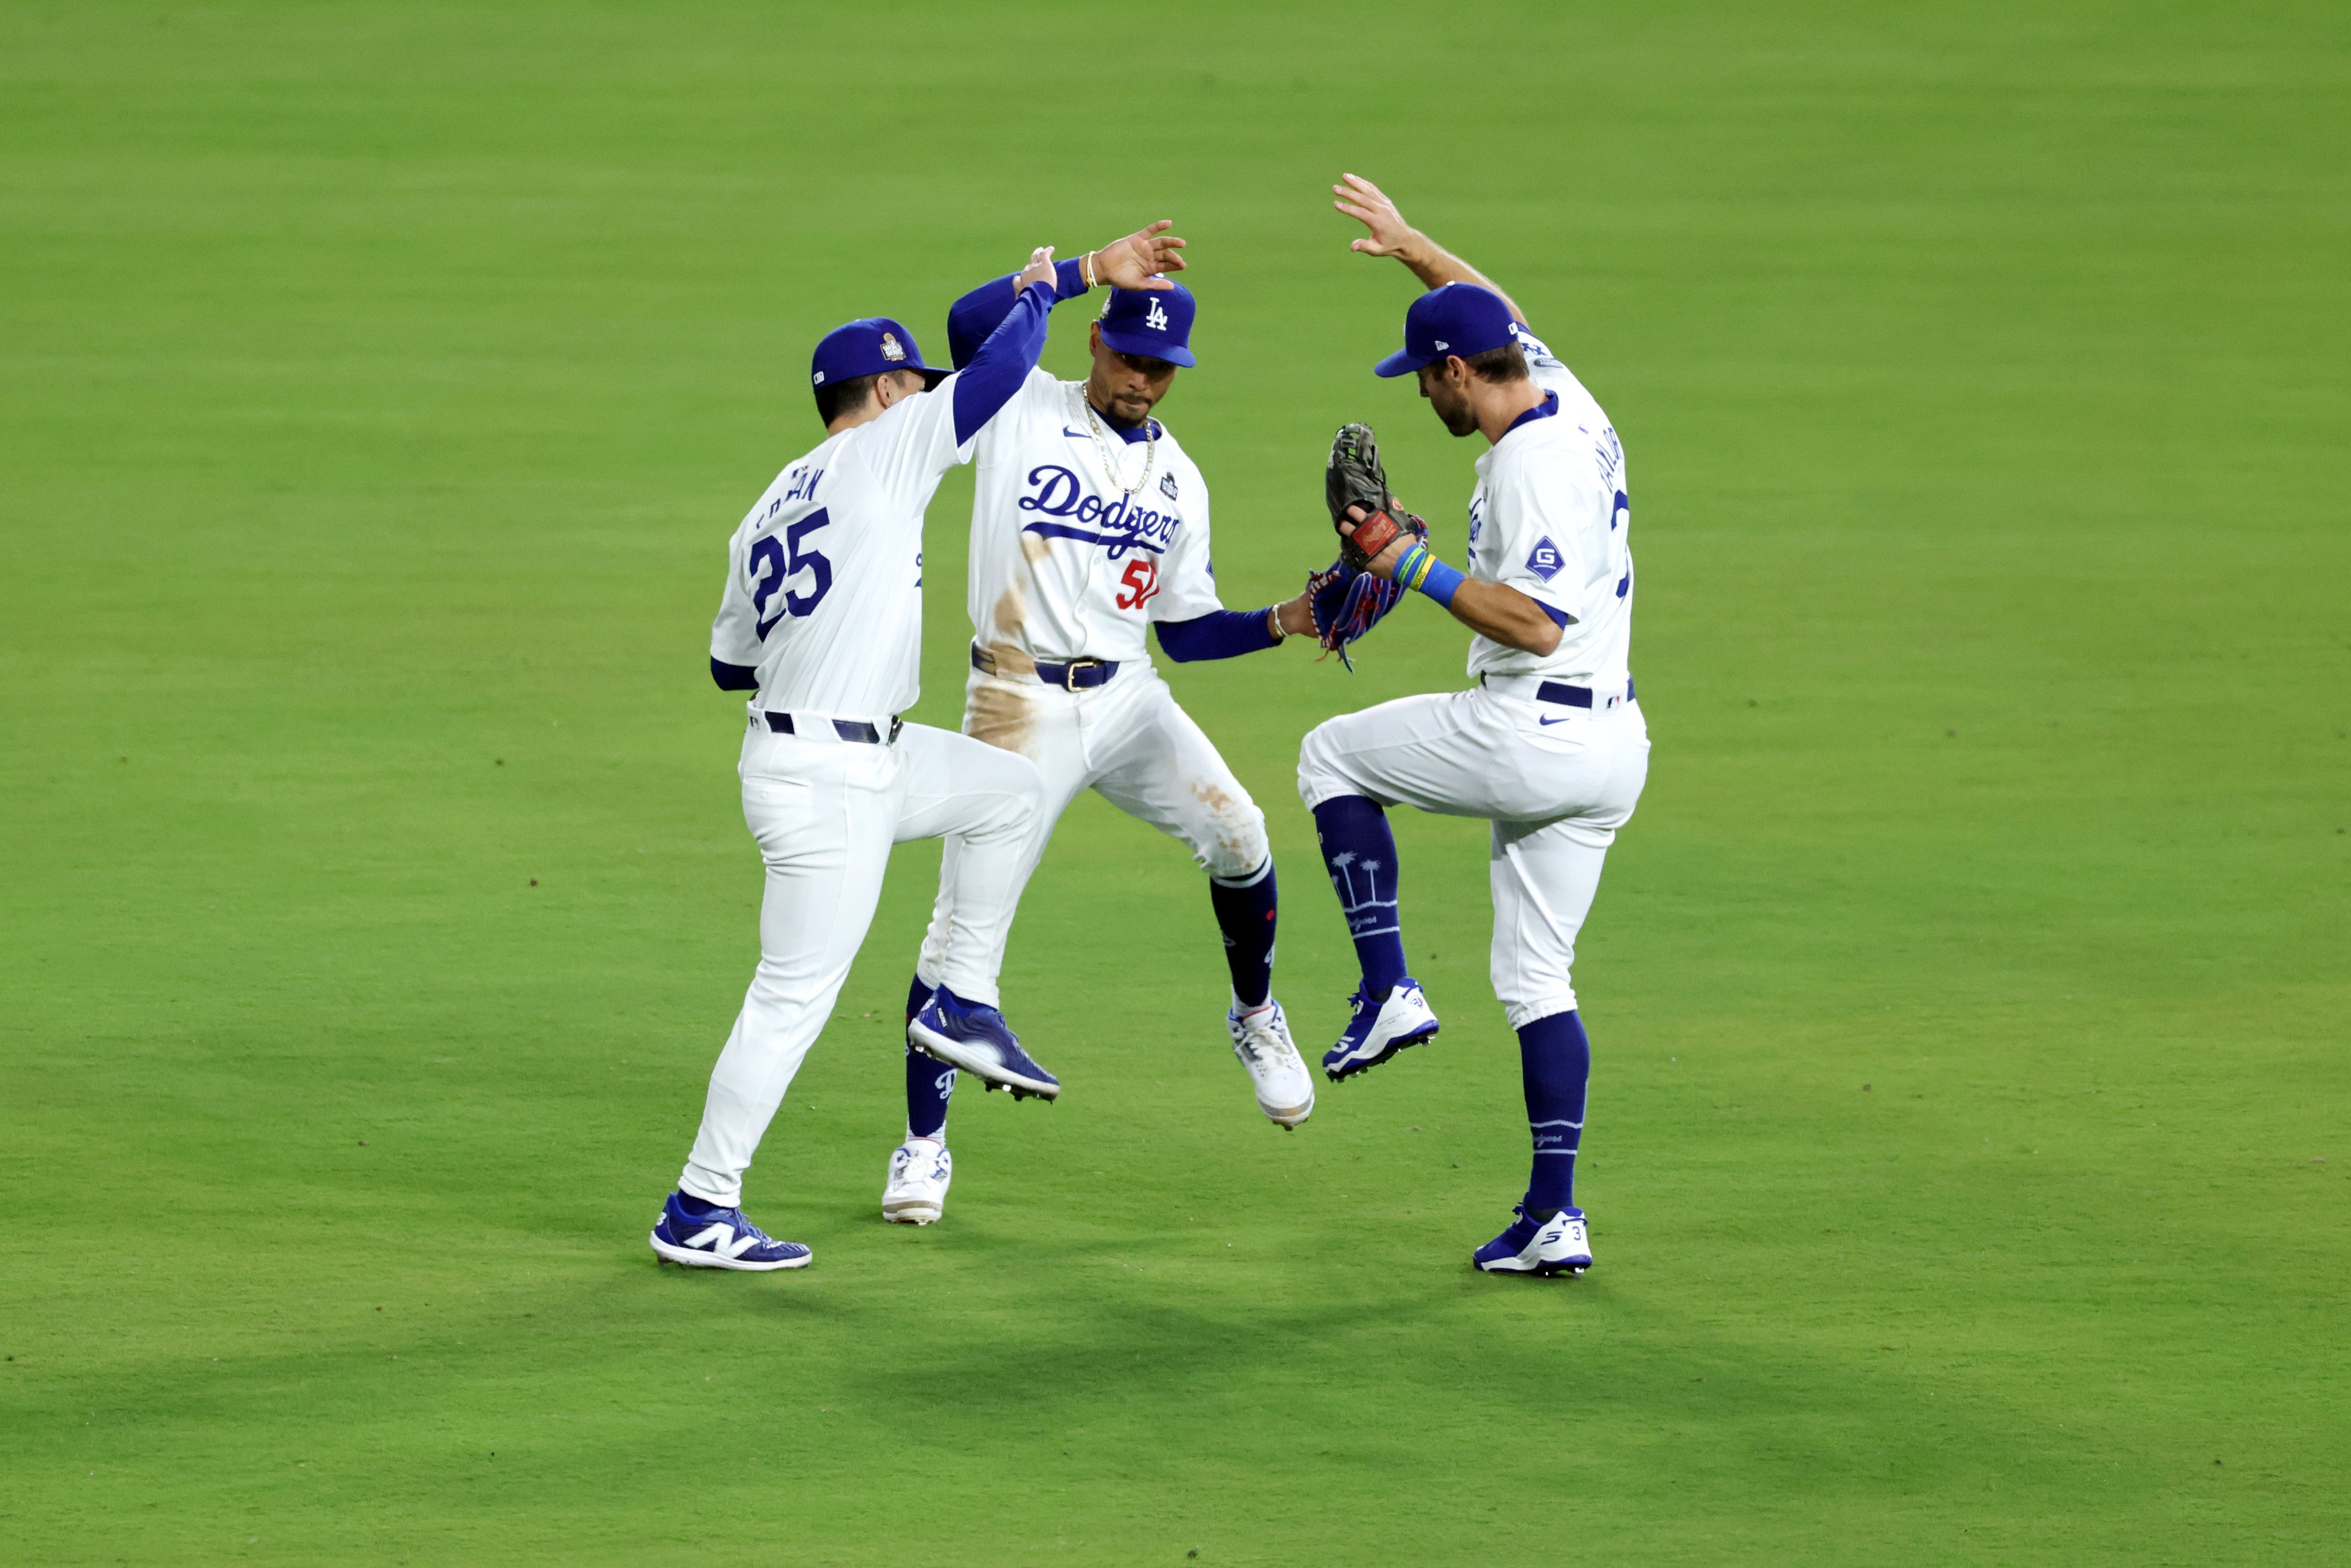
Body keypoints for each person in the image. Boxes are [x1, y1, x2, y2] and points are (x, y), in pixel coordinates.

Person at [649, 223, 1189, 1270]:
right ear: (889, 395)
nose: (928, 397)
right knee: (792, 996)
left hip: (841, 753)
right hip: (830, 782)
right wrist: (1063, 282)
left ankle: (959, 998)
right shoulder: (885, 447)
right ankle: (700, 1206)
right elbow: (996, 372)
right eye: (914, 384)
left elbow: (728, 666)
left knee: (1005, 790)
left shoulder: (773, 498)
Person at [880, 257, 1321, 1228]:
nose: (1142, 379)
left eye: (1161, 368)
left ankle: (1255, 1018)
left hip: (1128, 701)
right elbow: (963, 319)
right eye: (1129, 356)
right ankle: (922, 1147)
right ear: (1097, 341)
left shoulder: (1180, 480)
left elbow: (1186, 631)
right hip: (1013, 702)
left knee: (1242, 832)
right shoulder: (1021, 402)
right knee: (960, 940)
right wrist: (1078, 270)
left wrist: (1285, 618)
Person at [1297, 174, 1650, 1276]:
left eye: (1425, 381)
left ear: (1460, 372)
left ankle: (1387, 986)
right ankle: (1557, 1215)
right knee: (1540, 981)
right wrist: (1412, 249)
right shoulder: (1567, 400)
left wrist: (1406, 562)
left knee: (1329, 755)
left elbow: (1535, 624)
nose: (1423, 400)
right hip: (1613, 749)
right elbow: (1493, 300)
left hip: (1530, 729)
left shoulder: (1539, 467)